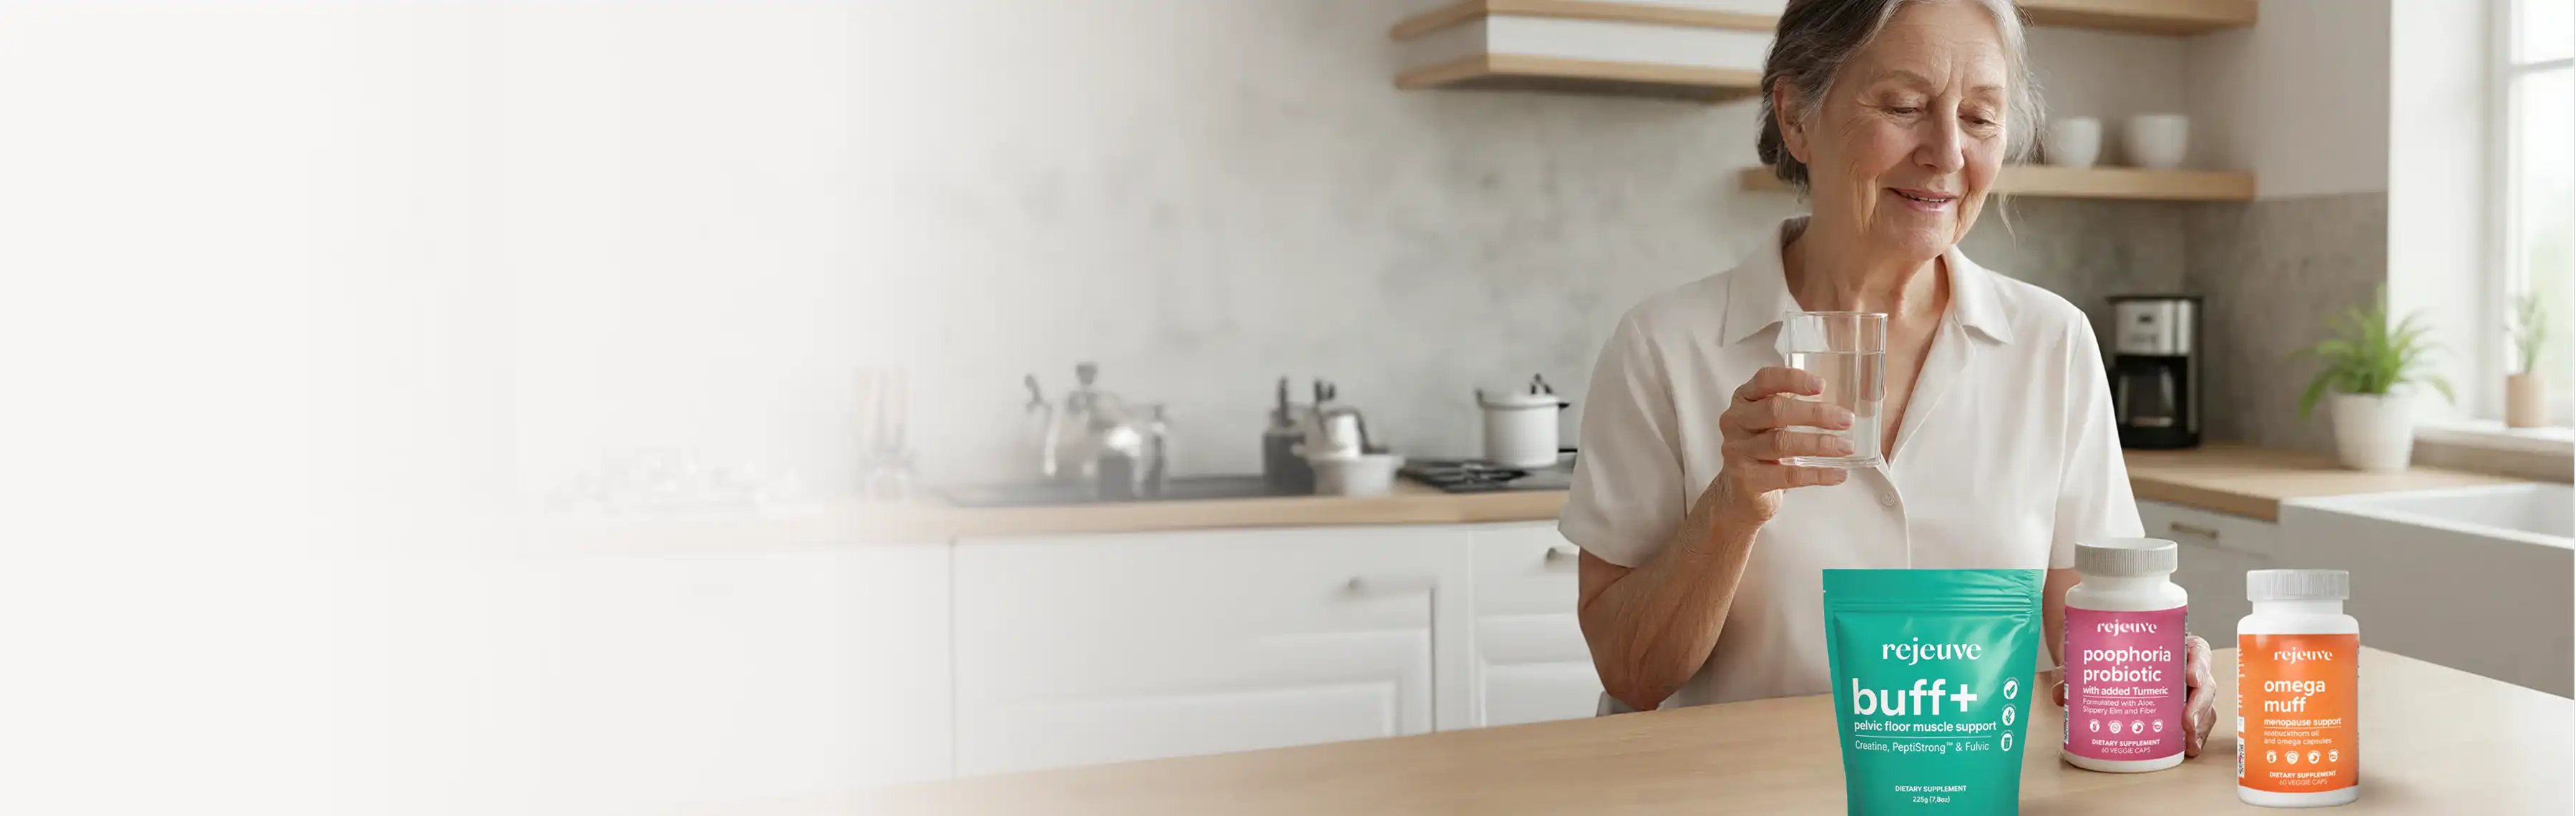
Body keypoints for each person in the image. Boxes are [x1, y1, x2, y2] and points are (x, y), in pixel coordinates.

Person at [1557, 0, 2218, 756]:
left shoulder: (2052, 343)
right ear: (1798, 117)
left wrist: (2156, 668)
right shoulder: (1664, 347)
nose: (1945, 153)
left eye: (1979, 118)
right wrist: (1731, 507)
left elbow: (2093, 629)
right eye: (1905, 106)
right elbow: (1631, 672)